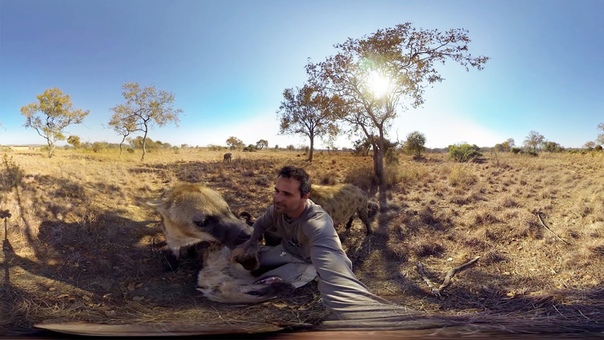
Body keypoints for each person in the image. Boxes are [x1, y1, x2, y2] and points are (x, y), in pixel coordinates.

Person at [229, 165, 412, 321]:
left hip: (306, 263)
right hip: (286, 250)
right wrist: (251, 243)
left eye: (286, 194)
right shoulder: (278, 209)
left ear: (305, 196)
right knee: (245, 268)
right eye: (276, 191)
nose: (277, 198)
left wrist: (361, 307)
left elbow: (336, 268)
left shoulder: (317, 223)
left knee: (257, 286)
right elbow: (261, 224)